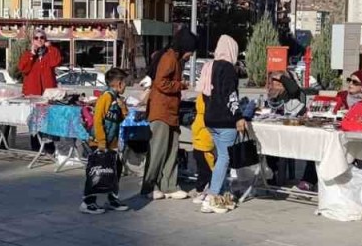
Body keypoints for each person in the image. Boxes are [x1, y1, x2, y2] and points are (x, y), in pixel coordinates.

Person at [298, 69, 362, 191]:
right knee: (319, 146)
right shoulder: (341, 95)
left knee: (360, 152)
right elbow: (329, 110)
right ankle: (309, 180)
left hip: (356, 136)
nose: (350, 84)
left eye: (355, 82)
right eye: (349, 80)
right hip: (335, 132)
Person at [142, 28, 197, 200]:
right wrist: (180, 85)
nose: (190, 56)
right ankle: (149, 186)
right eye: (190, 52)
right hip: (161, 111)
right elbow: (161, 83)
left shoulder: (175, 58)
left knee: (172, 150)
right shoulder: (169, 58)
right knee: (157, 150)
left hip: (171, 111)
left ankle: (169, 185)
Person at [201, 35, 247, 215]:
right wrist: (238, 116)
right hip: (225, 120)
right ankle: (211, 197)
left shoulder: (208, 66)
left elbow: (204, 94)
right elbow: (231, 95)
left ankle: (220, 195)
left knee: (221, 156)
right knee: (224, 158)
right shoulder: (228, 68)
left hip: (210, 118)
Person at [82, 67, 131, 214]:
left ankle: (112, 198)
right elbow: (98, 119)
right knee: (95, 171)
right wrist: (102, 142)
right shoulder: (106, 97)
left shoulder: (116, 99)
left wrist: (123, 108)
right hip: (100, 142)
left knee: (115, 170)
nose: (126, 87)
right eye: (126, 84)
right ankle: (88, 202)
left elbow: (121, 118)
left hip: (112, 142)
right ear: (119, 84)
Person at [18, 29, 63, 96]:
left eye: (42, 37)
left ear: (45, 40)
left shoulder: (50, 52)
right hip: (32, 92)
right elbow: (23, 69)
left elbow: (56, 61)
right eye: (36, 38)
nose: (39, 40)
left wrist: (50, 47)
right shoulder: (27, 54)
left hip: (48, 92)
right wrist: (32, 54)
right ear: (32, 41)